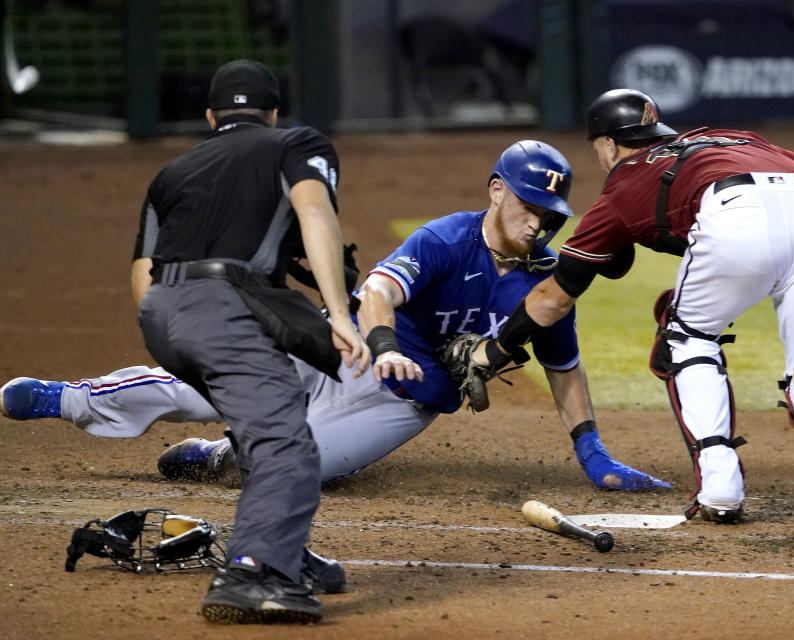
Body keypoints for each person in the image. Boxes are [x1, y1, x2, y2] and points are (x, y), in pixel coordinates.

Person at [0, 139, 670, 494]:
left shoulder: (545, 286)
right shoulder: (445, 238)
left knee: (297, 467)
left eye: (549, 216)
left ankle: (222, 456)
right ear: (496, 191)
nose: (537, 221)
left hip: (400, 404)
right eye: (526, 204)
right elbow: (379, 290)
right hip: (338, 344)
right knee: (193, 385)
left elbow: (564, 367)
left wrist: (594, 453)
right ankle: (72, 398)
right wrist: (380, 343)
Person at [466, 89, 794, 525]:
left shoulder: (621, 186)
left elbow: (552, 298)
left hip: (733, 216)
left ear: (609, 144)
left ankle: (721, 485)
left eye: (598, 151)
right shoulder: (729, 137)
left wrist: (496, 349)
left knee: (684, 335)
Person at [132, 59, 369, 624]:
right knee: (287, 442)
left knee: (276, 413)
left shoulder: (172, 171)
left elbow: (144, 271)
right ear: (275, 113)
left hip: (161, 314)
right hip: (223, 308)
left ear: (211, 116)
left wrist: (186, 339)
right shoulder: (296, 143)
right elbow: (314, 212)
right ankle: (252, 571)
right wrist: (337, 311)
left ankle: (286, 551)